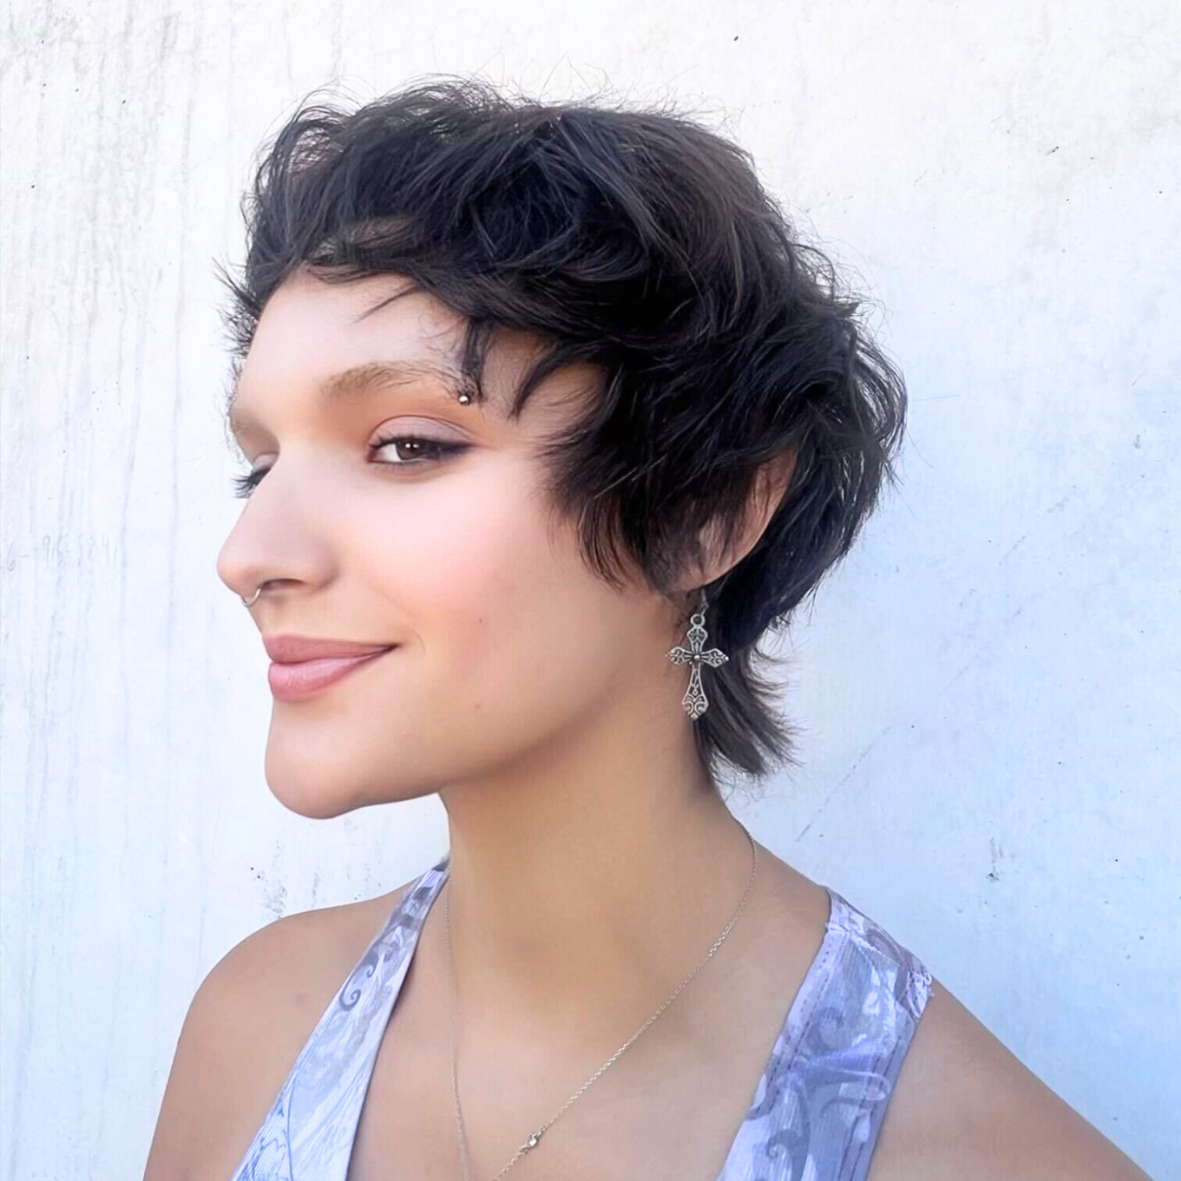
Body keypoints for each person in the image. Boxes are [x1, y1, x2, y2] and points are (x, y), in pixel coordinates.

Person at [143, 77, 1151, 1181]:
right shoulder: (256, 1031)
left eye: (406, 444)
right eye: (264, 461)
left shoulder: (973, 1153)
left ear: (703, 512)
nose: (249, 554)